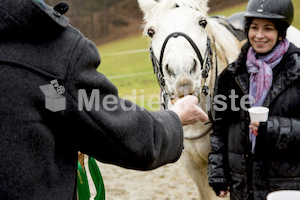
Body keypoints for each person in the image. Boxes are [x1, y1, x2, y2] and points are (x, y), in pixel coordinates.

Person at [0, 0, 209, 199]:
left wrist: (67, 116)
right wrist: (174, 118)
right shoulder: (48, 51)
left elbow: (52, 100)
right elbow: (120, 133)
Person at [207, 0, 300, 199]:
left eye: (268, 28)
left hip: (286, 187)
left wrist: (271, 129)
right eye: (254, 27)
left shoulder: (297, 72)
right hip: (243, 187)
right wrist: (218, 173)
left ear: (281, 32)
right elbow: (220, 130)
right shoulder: (231, 76)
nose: (259, 35)